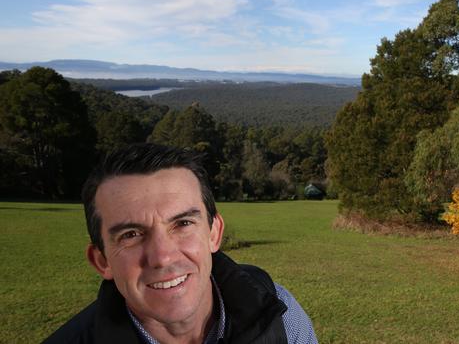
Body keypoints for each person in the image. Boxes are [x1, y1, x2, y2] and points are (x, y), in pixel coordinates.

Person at [44, 143, 318, 344]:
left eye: (183, 224)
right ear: (102, 261)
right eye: (131, 235)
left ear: (213, 233)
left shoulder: (280, 313)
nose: (163, 256)